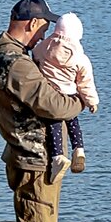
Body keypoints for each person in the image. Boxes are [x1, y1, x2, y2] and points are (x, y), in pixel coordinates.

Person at [0, 0, 83, 222]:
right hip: (36, 162)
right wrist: (81, 97)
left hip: (21, 156)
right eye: (44, 30)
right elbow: (57, 106)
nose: (45, 39)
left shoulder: (0, 56)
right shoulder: (19, 66)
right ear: (32, 23)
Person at [32, 12, 99, 181]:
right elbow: (86, 82)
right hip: (70, 95)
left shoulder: (44, 47)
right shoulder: (80, 58)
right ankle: (79, 149)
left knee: (54, 123)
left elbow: (35, 56)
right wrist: (92, 102)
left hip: (50, 94)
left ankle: (57, 157)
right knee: (72, 121)